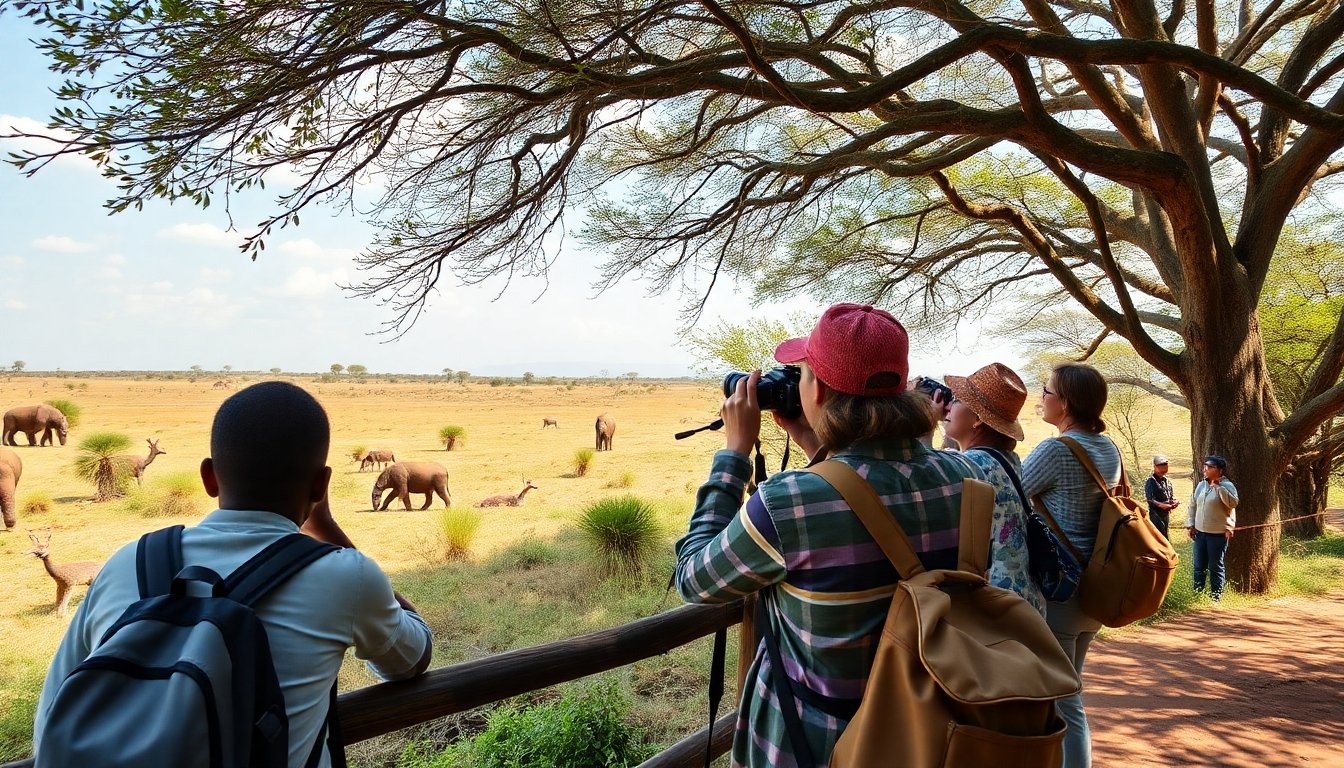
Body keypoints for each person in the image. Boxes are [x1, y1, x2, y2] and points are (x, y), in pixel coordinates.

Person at [34, 382, 433, 767]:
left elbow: (51, 719)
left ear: (209, 477)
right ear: (320, 486)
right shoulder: (345, 576)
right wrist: (327, 529)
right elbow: (411, 659)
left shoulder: (126, 562)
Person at [674, 303, 985, 768]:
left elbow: (694, 578)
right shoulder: (967, 477)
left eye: (801, 373)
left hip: (817, 745)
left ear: (816, 389)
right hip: (927, 738)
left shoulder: (788, 501)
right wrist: (816, 443)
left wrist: (734, 454)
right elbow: (866, 493)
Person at [1021, 363, 1121, 768]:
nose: (1041, 397)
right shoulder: (1108, 447)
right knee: (1069, 692)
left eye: (1046, 391)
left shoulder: (1057, 450)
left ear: (1065, 403)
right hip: (1094, 587)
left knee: (1064, 702)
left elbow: (1010, 491)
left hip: (1061, 588)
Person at [941, 362, 1046, 616]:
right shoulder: (1007, 459)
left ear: (977, 420)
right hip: (1024, 599)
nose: (948, 406)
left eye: (956, 400)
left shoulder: (972, 464)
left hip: (994, 604)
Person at [1186, 455, 1238, 600]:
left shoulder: (1227, 485)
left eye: (1209, 467)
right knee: (1198, 566)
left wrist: (1218, 487)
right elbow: (1193, 505)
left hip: (1217, 534)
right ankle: (1198, 595)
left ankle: (1216, 597)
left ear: (1220, 470)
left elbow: (1233, 504)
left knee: (1215, 566)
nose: (1205, 469)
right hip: (1200, 533)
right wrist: (1190, 525)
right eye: (1205, 466)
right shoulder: (1201, 485)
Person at [1144, 455, 1179, 540]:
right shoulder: (1150, 481)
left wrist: (1174, 501)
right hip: (1155, 515)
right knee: (1158, 537)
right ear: (1155, 467)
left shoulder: (1167, 481)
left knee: (1165, 536)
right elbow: (1149, 499)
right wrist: (1161, 505)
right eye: (1160, 466)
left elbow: (1170, 496)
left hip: (1165, 515)